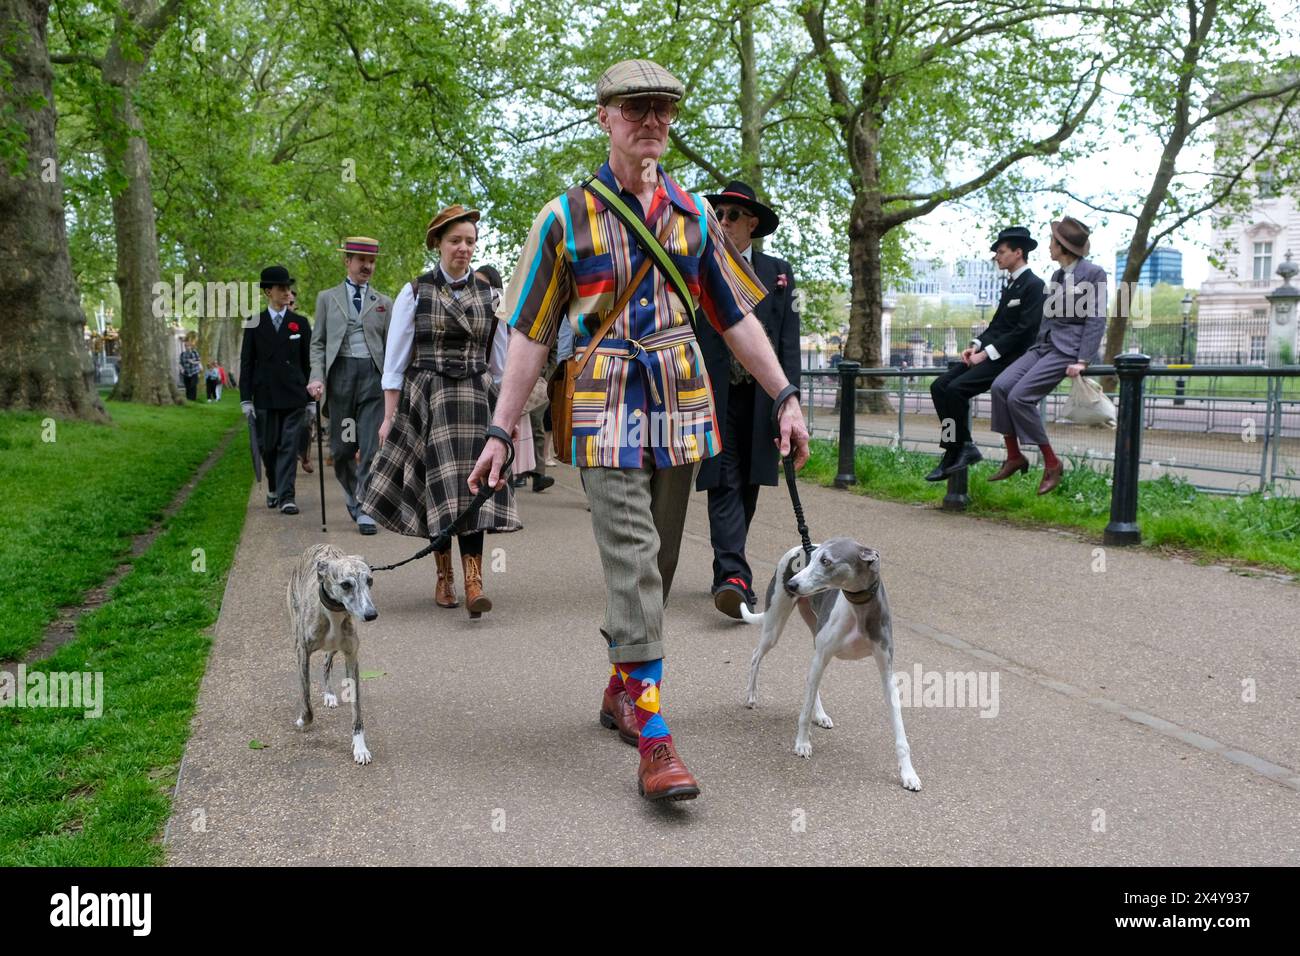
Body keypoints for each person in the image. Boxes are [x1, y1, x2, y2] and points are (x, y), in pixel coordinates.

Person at [469, 59, 810, 802]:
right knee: (631, 554)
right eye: (635, 108)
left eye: (663, 108)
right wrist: (501, 432)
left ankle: (621, 687)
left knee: (654, 566)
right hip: (601, 402)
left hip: (683, 403)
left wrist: (784, 391)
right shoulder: (562, 217)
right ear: (604, 117)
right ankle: (655, 738)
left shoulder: (693, 217)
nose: (651, 120)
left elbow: (735, 315)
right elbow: (529, 333)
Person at [360, 205, 520, 618]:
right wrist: (389, 417)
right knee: (439, 489)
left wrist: (507, 421)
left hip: (475, 399)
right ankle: (444, 575)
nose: (463, 249)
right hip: (428, 399)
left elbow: (502, 366)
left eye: (470, 241)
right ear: (438, 244)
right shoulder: (415, 291)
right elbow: (394, 364)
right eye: (455, 241)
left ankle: (474, 580)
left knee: (476, 488)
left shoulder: (492, 295)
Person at [694, 180, 801, 617]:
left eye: (732, 215)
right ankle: (733, 576)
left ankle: (728, 563)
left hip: (760, 400)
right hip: (715, 395)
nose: (723, 222)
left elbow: (787, 341)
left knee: (751, 482)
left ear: (752, 224)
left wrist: (789, 401)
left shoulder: (779, 271)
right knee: (723, 480)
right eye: (718, 215)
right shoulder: (702, 265)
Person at [988, 217, 1108, 494]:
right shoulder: (1057, 276)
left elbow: (1096, 317)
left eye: (1052, 242)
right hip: (1044, 346)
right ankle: (1014, 456)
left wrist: (1083, 360)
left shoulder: (1094, 274)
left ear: (1063, 246)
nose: (1049, 247)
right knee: (1000, 387)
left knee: (1020, 397)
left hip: (1068, 349)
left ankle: (1052, 463)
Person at [925, 226, 1046, 482]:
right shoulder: (1010, 285)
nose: (997, 257)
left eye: (1001, 252)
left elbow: (1024, 332)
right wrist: (976, 345)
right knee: (939, 387)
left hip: (1012, 359)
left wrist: (986, 354)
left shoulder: (1035, 285)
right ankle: (958, 446)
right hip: (991, 354)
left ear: (1018, 252)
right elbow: (997, 326)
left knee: (956, 390)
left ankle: (955, 450)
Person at [308, 238, 393, 535]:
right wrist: (316, 376)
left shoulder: (384, 303)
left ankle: (364, 506)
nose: (367, 266)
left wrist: (395, 384)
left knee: (370, 446)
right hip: (341, 378)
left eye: (371, 261)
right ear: (347, 261)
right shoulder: (326, 298)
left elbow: (392, 348)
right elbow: (317, 343)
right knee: (343, 449)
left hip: (372, 379)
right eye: (360, 260)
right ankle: (353, 493)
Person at [240, 265, 312, 514]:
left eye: (288, 288)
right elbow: (246, 363)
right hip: (265, 396)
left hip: (294, 396)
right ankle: (273, 487)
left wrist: (311, 399)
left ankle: (287, 497)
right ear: (268, 291)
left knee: (288, 446)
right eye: (281, 288)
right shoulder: (254, 323)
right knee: (268, 447)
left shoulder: (300, 323)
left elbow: (307, 362)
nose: (286, 292)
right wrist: (245, 400)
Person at [180, 336, 202, 401]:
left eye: (188, 346)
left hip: (194, 372)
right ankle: (188, 399)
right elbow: (180, 363)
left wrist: (193, 362)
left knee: (193, 386)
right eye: (186, 346)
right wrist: (181, 368)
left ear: (191, 346)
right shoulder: (182, 354)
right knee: (187, 386)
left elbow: (199, 361)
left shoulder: (195, 353)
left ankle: (193, 399)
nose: (187, 347)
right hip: (186, 372)